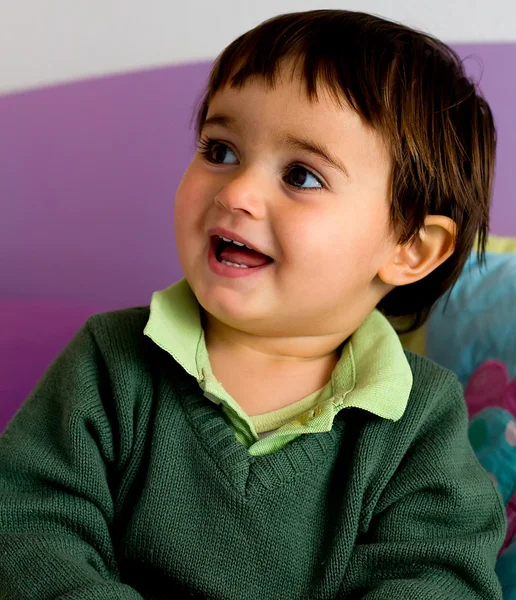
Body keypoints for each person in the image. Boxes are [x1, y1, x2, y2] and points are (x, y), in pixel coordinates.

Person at [0, 9, 506, 600]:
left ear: (411, 249)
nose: (235, 191)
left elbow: (439, 577)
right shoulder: (109, 359)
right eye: (219, 150)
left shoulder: (420, 418)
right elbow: (29, 525)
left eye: (302, 175)